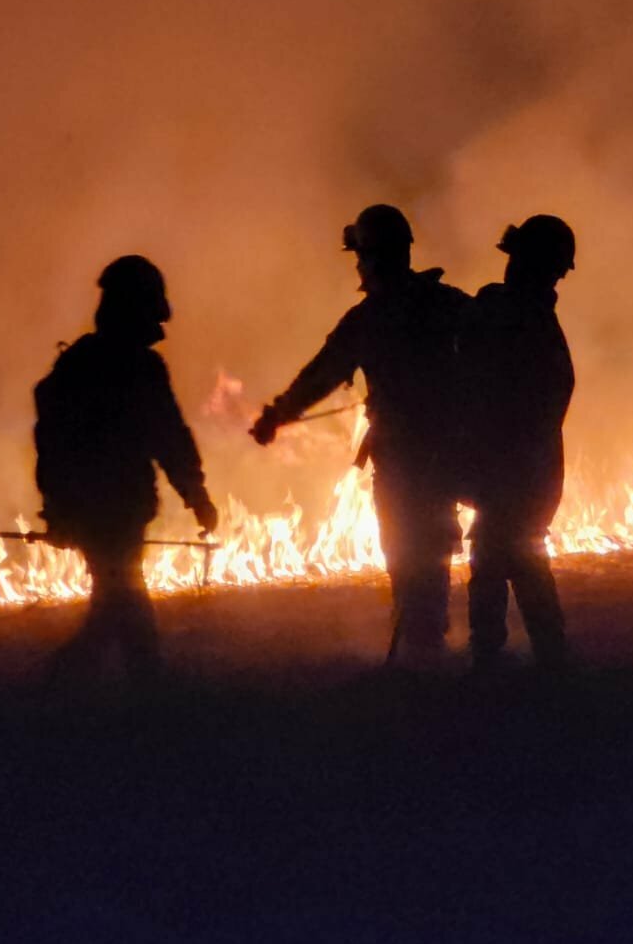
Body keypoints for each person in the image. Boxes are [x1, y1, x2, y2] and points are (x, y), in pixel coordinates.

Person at [251, 204, 470, 668]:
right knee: (431, 545)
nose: (357, 266)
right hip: (446, 451)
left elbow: (320, 376)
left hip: (404, 457)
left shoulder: (370, 320)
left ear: (374, 258)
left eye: (361, 256)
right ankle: (428, 636)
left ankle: (421, 641)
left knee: (408, 546)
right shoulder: (449, 304)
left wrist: (277, 415)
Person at [33, 255, 218, 680]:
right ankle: (138, 683)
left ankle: (99, 678)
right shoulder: (139, 368)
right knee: (123, 598)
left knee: (114, 598)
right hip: (116, 508)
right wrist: (196, 497)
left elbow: (51, 445)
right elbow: (170, 439)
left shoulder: (75, 364)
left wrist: (57, 508)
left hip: (93, 508)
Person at [460, 214, 576, 670]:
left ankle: (506, 657)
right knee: (506, 557)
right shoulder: (525, 318)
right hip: (529, 471)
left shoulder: (516, 320)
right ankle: (539, 655)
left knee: (504, 559)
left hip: (518, 472)